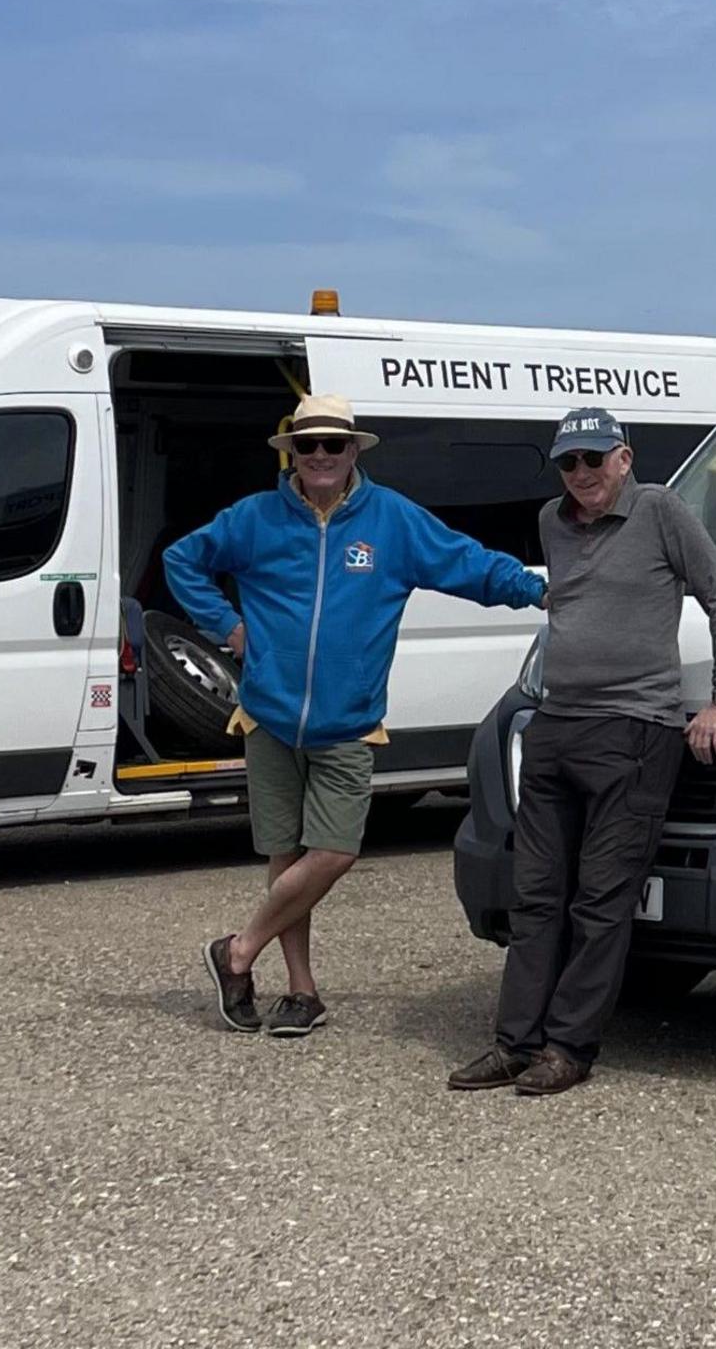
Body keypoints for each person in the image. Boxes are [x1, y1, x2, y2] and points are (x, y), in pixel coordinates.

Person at [173, 394, 545, 1038]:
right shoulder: (255, 519)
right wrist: (228, 628)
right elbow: (182, 561)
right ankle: (301, 992)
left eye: (333, 445)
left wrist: (544, 589)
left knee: (336, 851)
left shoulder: (393, 520)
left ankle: (237, 950)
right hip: (267, 717)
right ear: (291, 451)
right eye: (308, 444)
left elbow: (471, 565)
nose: (320, 455)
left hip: (348, 724)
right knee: (286, 860)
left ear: (353, 451)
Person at [447, 407, 716, 1097]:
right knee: (535, 896)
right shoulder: (555, 520)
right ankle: (514, 1043)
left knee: (601, 899)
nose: (581, 474)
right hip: (556, 723)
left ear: (625, 458)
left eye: (593, 459)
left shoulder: (661, 510)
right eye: (568, 463)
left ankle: (570, 1048)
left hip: (634, 729)